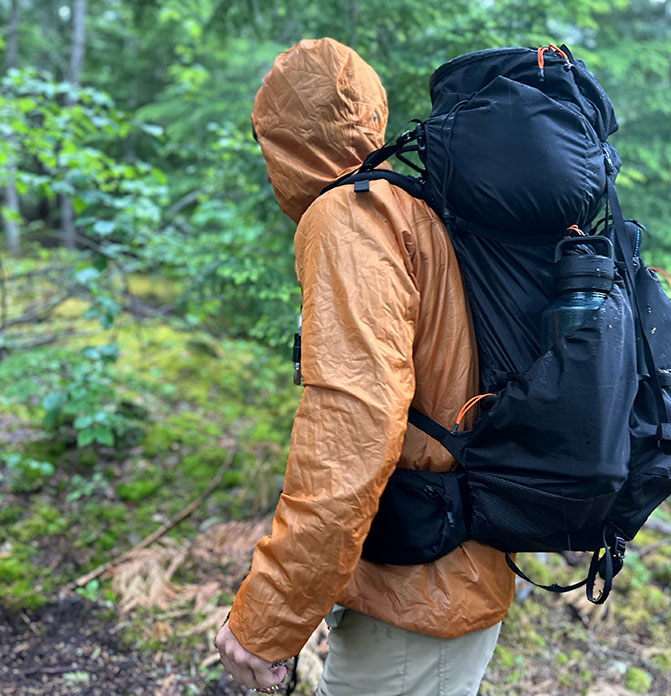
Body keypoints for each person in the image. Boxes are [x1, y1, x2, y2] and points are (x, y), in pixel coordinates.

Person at [214, 38, 515, 695]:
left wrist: (269, 619)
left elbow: (350, 432)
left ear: (284, 142)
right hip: (440, 569)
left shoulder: (349, 220)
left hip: (420, 590)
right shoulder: (409, 207)